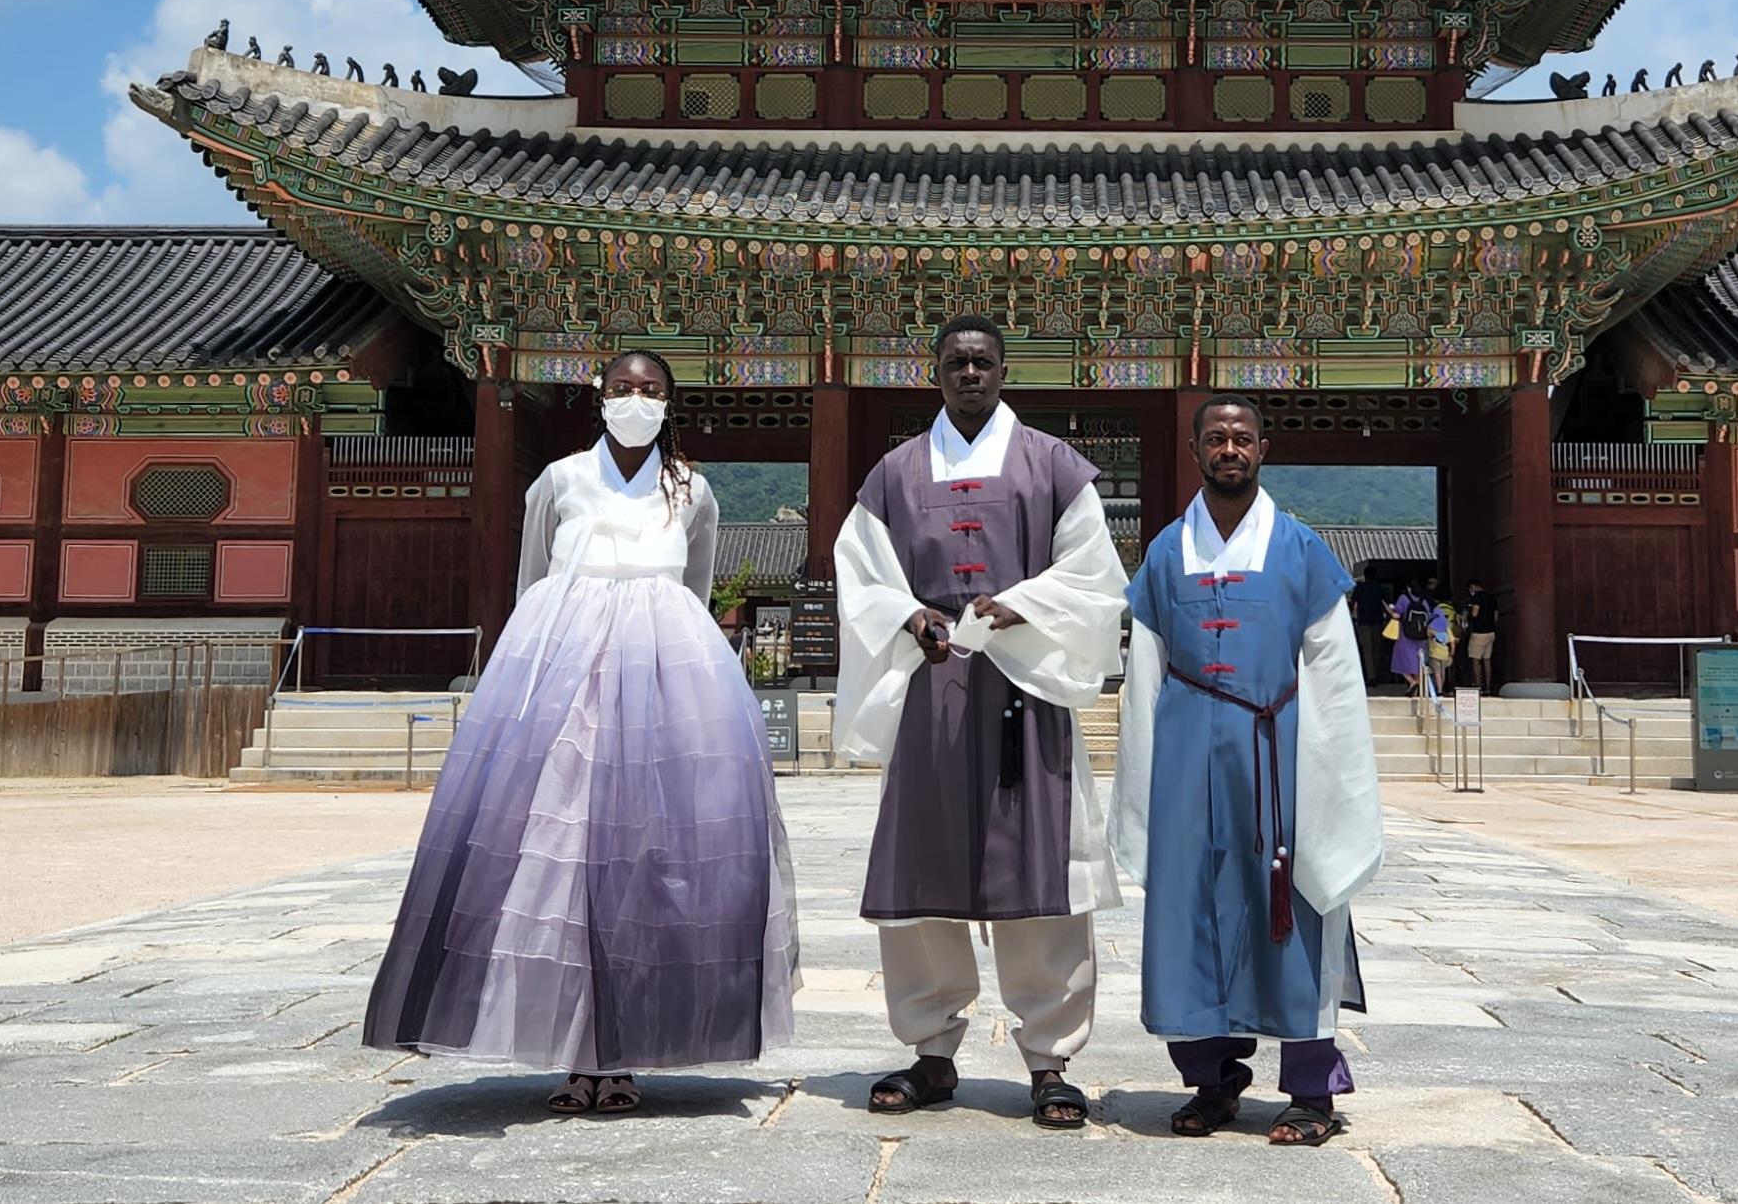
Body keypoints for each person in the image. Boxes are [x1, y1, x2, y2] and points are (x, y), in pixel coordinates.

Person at [363, 351, 797, 1115]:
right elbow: (534, 580)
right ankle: (572, 1050)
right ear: (600, 398)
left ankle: (625, 1049)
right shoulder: (560, 479)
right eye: (624, 388)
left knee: (649, 856)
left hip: (669, 679)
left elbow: (693, 589)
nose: (636, 399)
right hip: (562, 673)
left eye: (651, 390)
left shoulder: (694, 490)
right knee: (556, 858)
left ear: (671, 401)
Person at [832, 315, 1127, 1130]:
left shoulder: (1052, 467)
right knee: (921, 876)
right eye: (955, 362)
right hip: (934, 695)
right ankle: (931, 1052)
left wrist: (1022, 603)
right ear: (935, 373)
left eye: (983, 362)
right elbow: (861, 573)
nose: (969, 373)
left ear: (1004, 372)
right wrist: (910, 618)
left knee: (1042, 878)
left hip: (1023, 696)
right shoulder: (893, 474)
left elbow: (1096, 574)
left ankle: (1051, 1059)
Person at [1111, 393, 1382, 1149]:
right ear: (1195, 450)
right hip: (1187, 747)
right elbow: (1143, 677)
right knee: (1191, 909)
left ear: (1263, 448)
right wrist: (1140, 788)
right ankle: (1211, 1081)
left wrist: (1331, 775)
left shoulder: (1300, 550)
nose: (1228, 448)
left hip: (1280, 747)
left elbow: (1332, 671)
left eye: (1241, 437)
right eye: (1215, 438)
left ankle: (1310, 1092)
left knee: (1293, 902)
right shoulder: (1166, 551)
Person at [1389, 578, 1433, 694]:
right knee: (1419, 661)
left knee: (1400, 659)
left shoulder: (1404, 598)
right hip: (1421, 635)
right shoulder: (1423, 601)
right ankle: (1419, 687)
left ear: (1409, 587)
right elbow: (1429, 615)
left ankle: (1412, 681)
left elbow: (1397, 614)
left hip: (1406, 634)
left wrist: (1391, 611)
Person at [1349, 574, 1391, 688]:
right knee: (1377, 648)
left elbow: (1353, 602)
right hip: (1377, 621)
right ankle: (1377, 674)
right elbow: (1387, 602)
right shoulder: (1379, 588)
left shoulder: (1360, 588)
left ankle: (1371, 677)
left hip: (1364, 621)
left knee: (1367, 650)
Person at [1461, 580, 1499, 696]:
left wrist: (1467, 616)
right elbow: (1496, 617)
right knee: (1487, 660)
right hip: (1491, 632)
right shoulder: (1492, 598)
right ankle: (1488, 687)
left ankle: (1478, 686)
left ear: (1474, 587)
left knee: (1475, 660)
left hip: (1479, 632)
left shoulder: (1477, 597)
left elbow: (1475, 613)